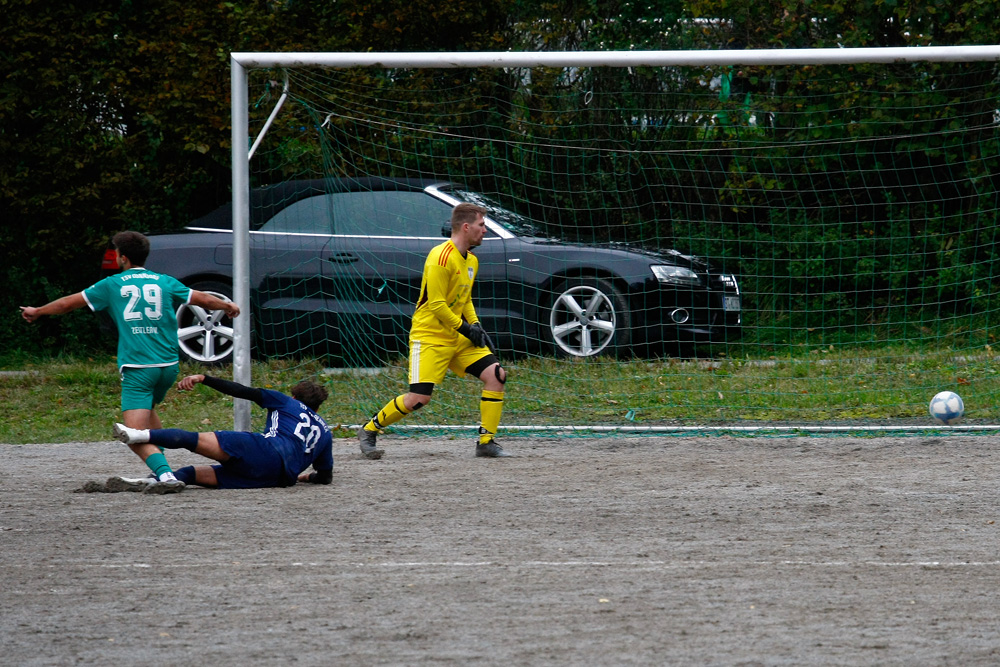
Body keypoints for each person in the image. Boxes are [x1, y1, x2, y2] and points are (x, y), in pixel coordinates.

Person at [21, 230, 240, 493]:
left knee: (132, 434)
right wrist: (226, 306)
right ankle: (159, 470)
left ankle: (166, 476)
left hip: (139, 369)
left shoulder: (112, 284)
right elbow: (201, 298)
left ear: (121, 257)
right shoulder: (164, 281)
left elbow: (69, 303)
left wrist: (38, 310)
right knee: (149, 417)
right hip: (168, 367)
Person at [357, 202, 510, 459]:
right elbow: (436, 304)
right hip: (430, 337)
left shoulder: (471, 259)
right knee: (419, 399)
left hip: (457, 336)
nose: (485, 230)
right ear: (465, 227)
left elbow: (465, 299)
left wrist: (476, 326)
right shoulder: (440, 257)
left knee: (496, 375)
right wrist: (465, 327)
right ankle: (369, 429)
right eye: (481, 225)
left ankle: (486, 442)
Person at [111, 373, 334, 490]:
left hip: (265, 450)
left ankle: (135, 435)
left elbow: (242, 391)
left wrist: (205, 379)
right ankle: (154, 482)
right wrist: (305, 476)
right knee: (188, 474)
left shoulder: (286, 402)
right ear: (318, 407)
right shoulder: (325, 432)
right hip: (278, 477)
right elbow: (325, 477)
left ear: (294, 397)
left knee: (191, 439)